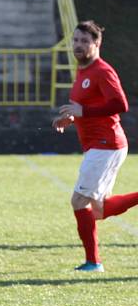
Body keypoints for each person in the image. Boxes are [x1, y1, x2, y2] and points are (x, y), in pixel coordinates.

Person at [52, 21, 138, 272]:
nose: (78, 45)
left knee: (79, 201)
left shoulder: (102, 71)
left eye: (84, 41)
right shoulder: (82, 70)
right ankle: (93, 261)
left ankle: (93, 263)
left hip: (106, 144)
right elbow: (83, 106)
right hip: (97, 146)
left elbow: (120, 104)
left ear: (96, 44)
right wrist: (71, 117)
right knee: (97, 211)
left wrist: (83, 110)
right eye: (76, 40)